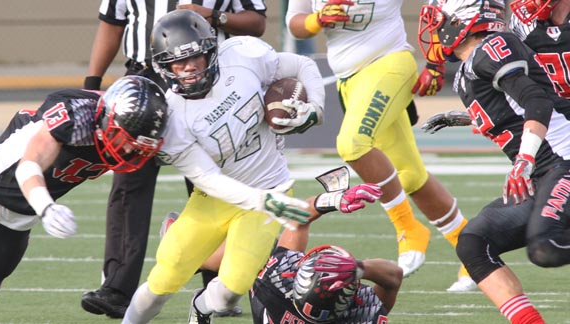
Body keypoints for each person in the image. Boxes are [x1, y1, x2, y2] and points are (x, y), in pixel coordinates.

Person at [120, 9, 327, 324]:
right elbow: (211, 179)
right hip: (216, 198)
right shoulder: (173, 119)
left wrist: (315, 109)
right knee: (161, 282)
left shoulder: (243, 56)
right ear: (164, 67)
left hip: (268, 187)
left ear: (210, 52)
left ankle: (202, 305)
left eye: (195, 58)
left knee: (233, 289)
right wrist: (264, 200)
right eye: (178, 62)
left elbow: (303, 64)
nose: (188, 68)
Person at [80, 0, 267, 318]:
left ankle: (218, 284)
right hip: (144, 79)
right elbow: (112, 24)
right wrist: (92, 84)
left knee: (216, 178)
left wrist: (216, 16)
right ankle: (117, 288)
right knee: (129, 180)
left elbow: (257, 22)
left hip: (204, 73)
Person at [284, 0, 476, 292]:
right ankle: (475, 257)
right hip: (348, 80)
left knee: (352, 145)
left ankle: (407, 228)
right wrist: (317, 19)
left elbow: (441, 6)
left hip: (389, 64)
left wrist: (436, 62)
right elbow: (295, 24)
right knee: (410, 176)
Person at [418, 0, 570, 322]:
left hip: (563, 161)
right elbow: (512, 111)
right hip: (547, 171)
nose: (433, 29)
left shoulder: (491, 48)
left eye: (438, 20)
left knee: (546, 247)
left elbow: (535, 101)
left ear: (462, 20)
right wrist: (465, 118)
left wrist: (524, 160)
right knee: (473, 241)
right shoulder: (468, 68)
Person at [0, 75, 168, 298]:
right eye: (124, 138)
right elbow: (29, 165)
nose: (127, 150)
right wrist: (46, 207)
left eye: (137, 144)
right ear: (107, 120)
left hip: (20, 217)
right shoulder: (77, 117)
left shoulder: (143, 130)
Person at [250, 168, 403, 324]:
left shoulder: (275, 278)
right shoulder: (362, 314)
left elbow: (297, 220)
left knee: (255, 241)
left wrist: (333, 200)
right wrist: (358, 268)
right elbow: (394, 277)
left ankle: (225, 298)